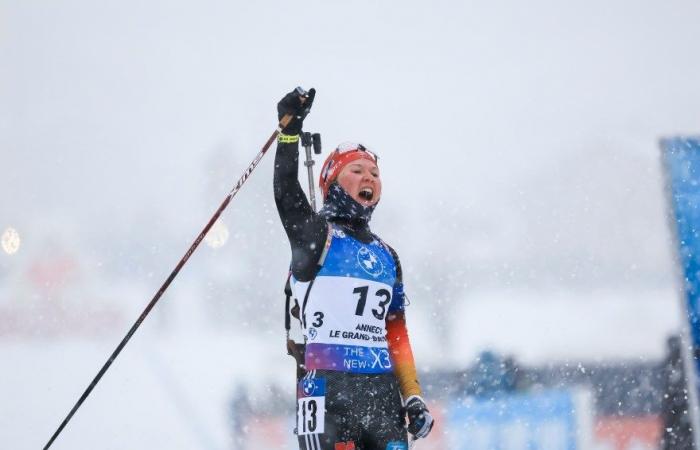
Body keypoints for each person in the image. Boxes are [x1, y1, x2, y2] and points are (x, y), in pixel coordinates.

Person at [273, 88, 434, 450]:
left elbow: (396, 331)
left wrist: (412, 396)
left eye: (375, 173)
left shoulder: (387, 255)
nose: (369, 178)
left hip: (382, 396)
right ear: (331, 181)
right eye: (357, 170)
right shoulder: (316, 235)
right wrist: (289, 133)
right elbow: (286, 191)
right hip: (327, 392)